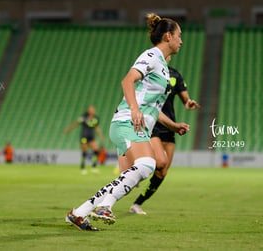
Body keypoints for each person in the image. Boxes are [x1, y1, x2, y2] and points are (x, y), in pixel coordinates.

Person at [65, 13, 189, 231]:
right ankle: (105, 206)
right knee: (148, 164)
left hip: (135, 125)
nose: (181, 40)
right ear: (168, 36)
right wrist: (133, 109)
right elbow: (127, 80)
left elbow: (152, 108)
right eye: (179, 35)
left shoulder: (162, 65)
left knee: (129, 178)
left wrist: (173, 125)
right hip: (127, 122)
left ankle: (78, 213)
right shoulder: (151, 55)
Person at [123, 55, 200, 215]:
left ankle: (137, 204)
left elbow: (184, 98)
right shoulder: (149, 71)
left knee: (162, 171)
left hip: (170, 125)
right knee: (160, 160)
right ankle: (136, 169)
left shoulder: (175, 75)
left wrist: (188, 103)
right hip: (153, 122)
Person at [64, 105, 106, 174]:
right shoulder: (84, 117)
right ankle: (82, 167)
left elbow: (96, 128)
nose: (92, 110)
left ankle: (94, 166)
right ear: (88, 110)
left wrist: (101, 135)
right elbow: (76, 123)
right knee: (85, 151)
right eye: (90, 109)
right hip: (84, 136)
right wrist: (69, 129)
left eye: (93, 109)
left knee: (96, 149)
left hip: (91, 136)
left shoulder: (96, 118)